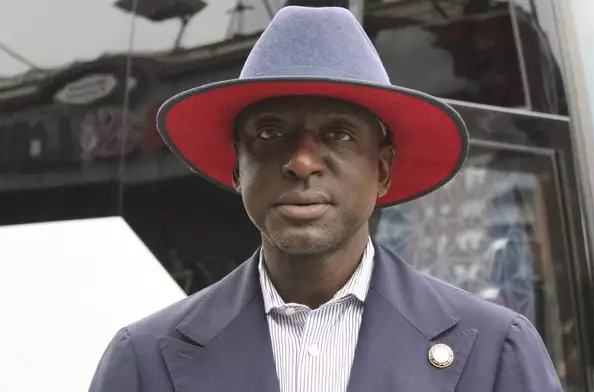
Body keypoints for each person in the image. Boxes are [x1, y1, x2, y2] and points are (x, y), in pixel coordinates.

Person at [89, 6, 563, 392]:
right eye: (270, 132)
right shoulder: (144, 360)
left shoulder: (496, 351)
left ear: (382, 170)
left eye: (339, 134)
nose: (302, 162)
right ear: (237, 166)